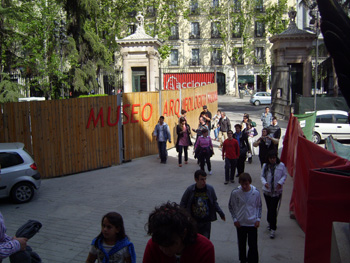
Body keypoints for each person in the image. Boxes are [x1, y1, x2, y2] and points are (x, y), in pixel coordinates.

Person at [143, 202, 215, 263]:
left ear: (184, 233)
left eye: (170, 244)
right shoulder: (153, 245)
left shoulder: (204, 248)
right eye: (161, 245)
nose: (165, 250)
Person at [180, 170, 225, 239]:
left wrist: (220, 213)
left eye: (205, 179)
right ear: (196, 179)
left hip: (206, 221)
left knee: (205, 241)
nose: (204, 181)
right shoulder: (190, 190)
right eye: (201, 179)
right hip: (194, 221)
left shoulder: (210, 189)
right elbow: (183, 203)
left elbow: (214, 202)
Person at [228, 173, 262, 263]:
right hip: (241, 223)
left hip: (252, 223)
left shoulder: (256, 193)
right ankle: (242, 260)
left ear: (250, 183)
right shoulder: (235, 193)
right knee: (242, 244)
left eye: (246, 184)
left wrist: (258, 219)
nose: (244, 186)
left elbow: (259, 206)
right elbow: (231, 206)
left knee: (253, 245)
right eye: (242, 184)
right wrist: (235, 219)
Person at [260, 150, 287, 239]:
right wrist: (265, 183)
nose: (273, 160)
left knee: (273, 209)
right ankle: (270, 222)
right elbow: (262, 176)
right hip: (267, 191)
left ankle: (273, 228)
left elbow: (284, 175)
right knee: (269, 208)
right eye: (271, 158)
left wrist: (280, 182)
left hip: (276, 192)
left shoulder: (281, 165)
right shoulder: (265, 166)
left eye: (274, 158)